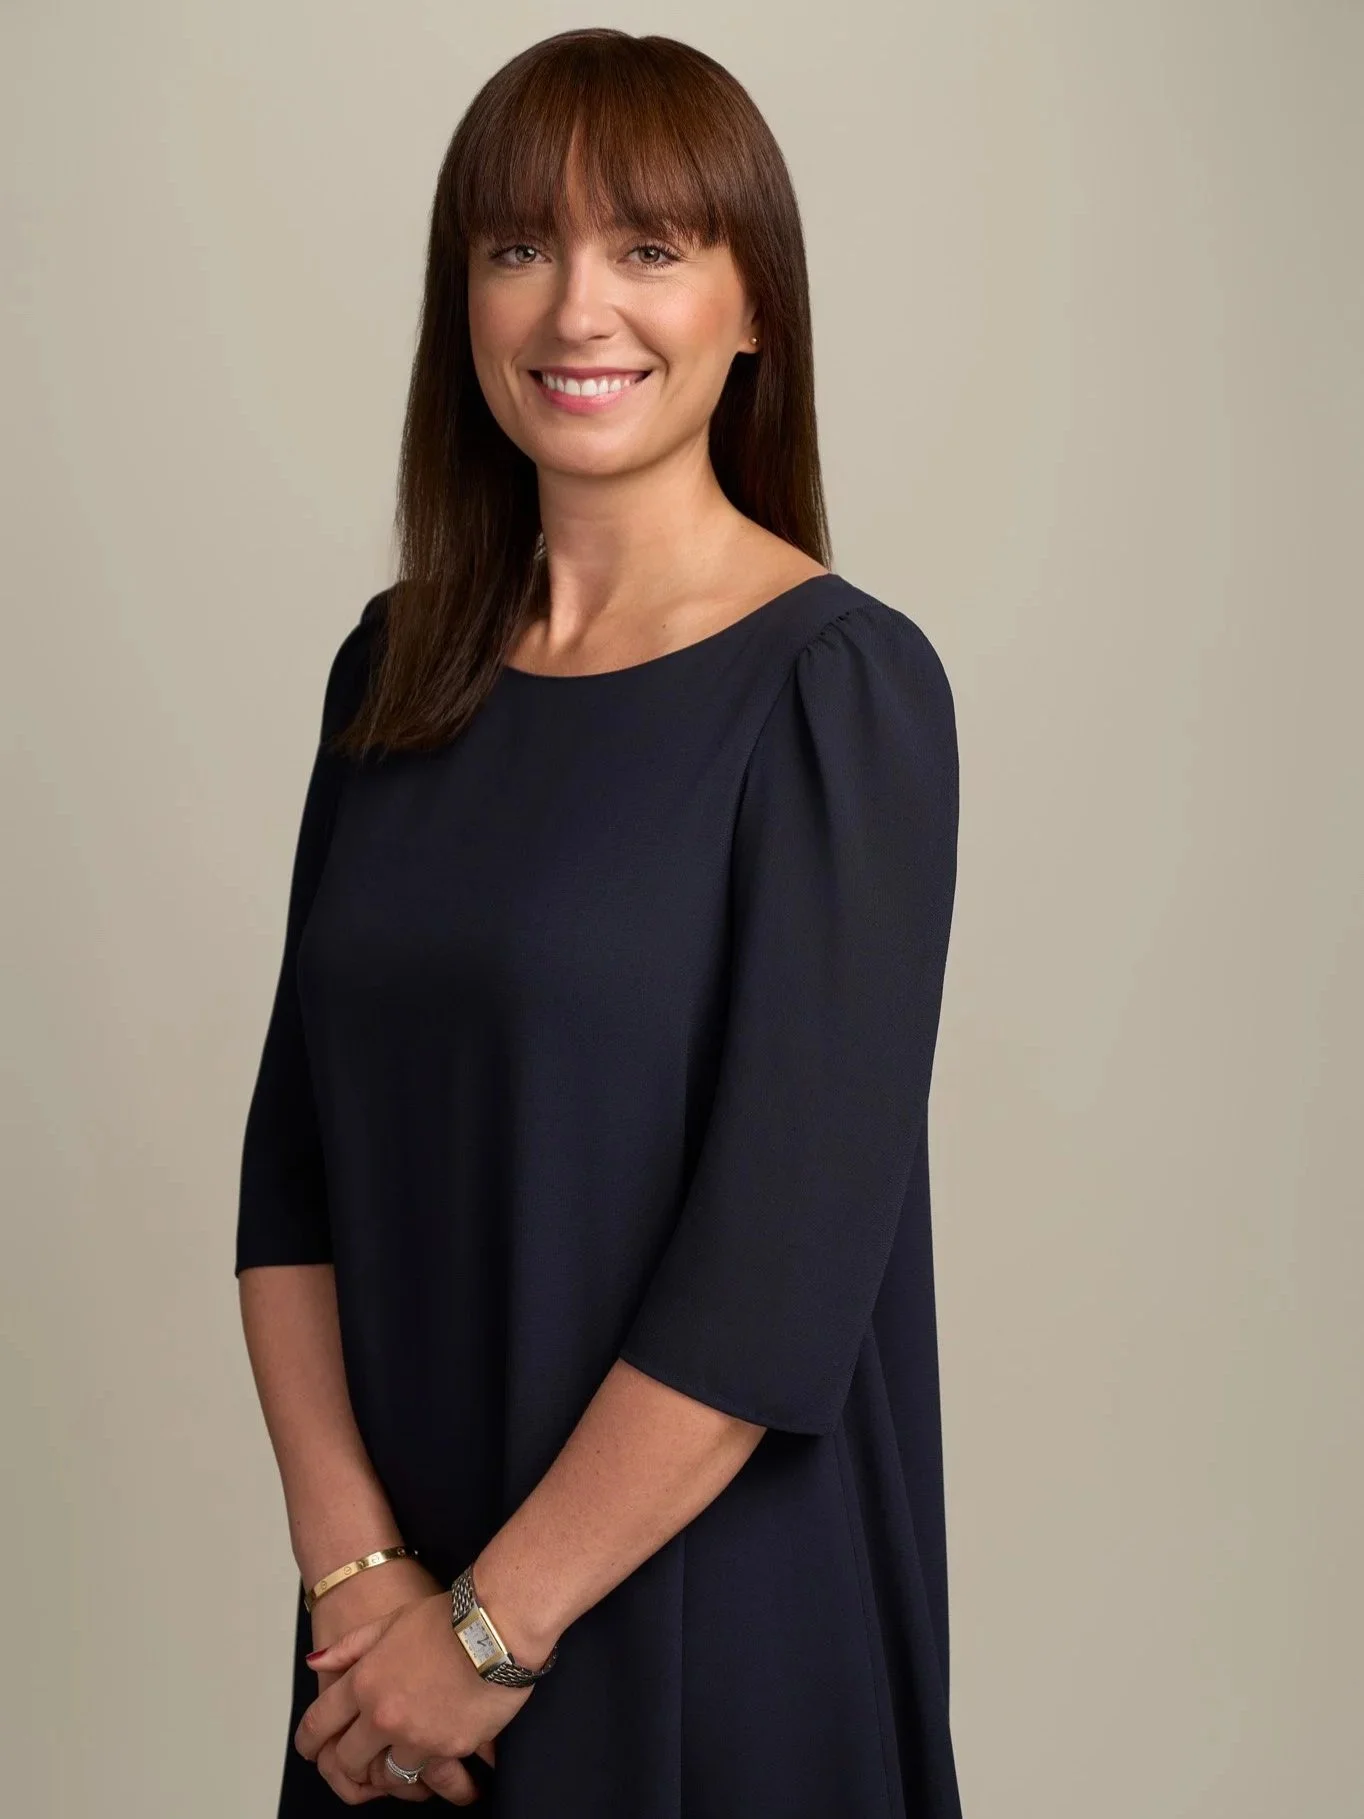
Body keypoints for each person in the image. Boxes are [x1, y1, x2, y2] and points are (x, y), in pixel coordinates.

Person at [235, 26, 964, 1818]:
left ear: (752, 309)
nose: (578, 310)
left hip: (708, 1615)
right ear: (460, 299)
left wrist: (489, 1634)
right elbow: (289, 1182)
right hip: (394, 1662)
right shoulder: (387, 675)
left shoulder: (839, 688)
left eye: (649, 248)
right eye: (517, 248)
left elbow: (777, 1271)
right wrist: (362, 1598)